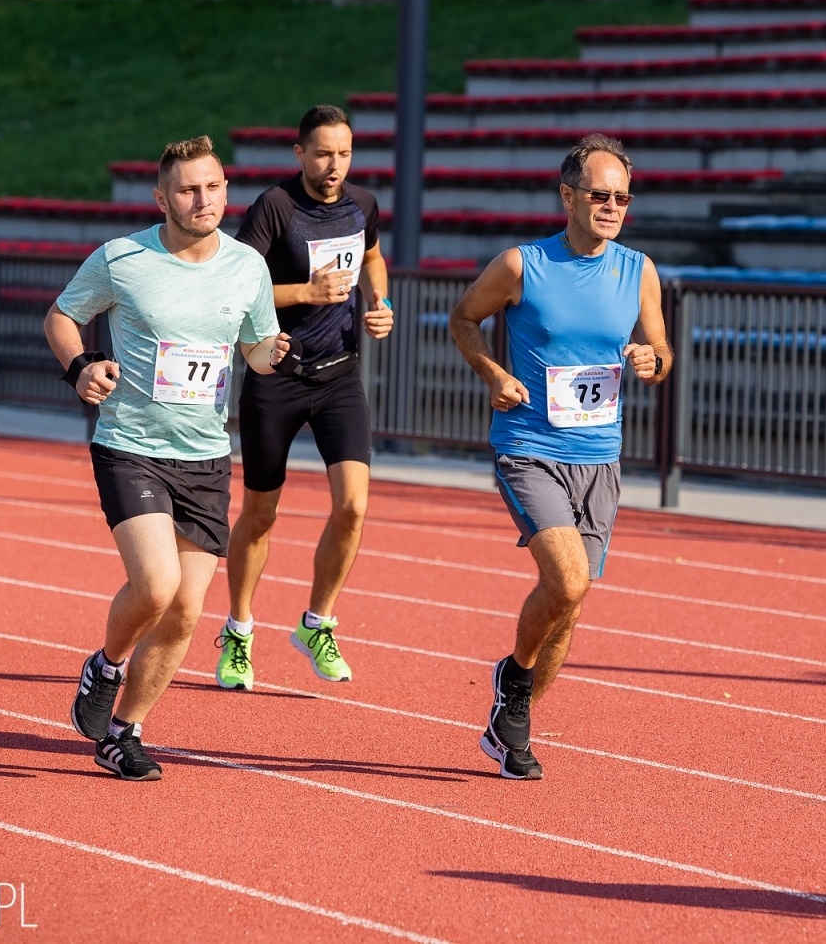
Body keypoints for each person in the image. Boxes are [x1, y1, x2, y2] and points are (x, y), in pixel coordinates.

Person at [49, 135, 289, 781]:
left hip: (206, 456)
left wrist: (271, 355)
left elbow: (255, 347)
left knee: (184, 611)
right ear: (162, 199)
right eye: (187, 190)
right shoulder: (122, 258)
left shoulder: (247, 267)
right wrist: (81, 366)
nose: (202, 199)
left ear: (225, 190)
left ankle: (124, 732)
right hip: (131, 444)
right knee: (155, 586)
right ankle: (106, 665)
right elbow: (62, 317)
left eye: (212, 187)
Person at [449, 133, 672, 781]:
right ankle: (515, 679)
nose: (612, 208)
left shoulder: (639, 270)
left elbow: (661, 352)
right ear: (568, 197)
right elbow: (463, 319)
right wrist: (493, 373)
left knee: (569, 603)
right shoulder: (522, 265)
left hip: (599, 457)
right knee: (568, 581)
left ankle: (512, 711)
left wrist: (652, 360)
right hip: (530, 448)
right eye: (600, 196)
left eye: (622, 198)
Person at [216, 104, 394, 691]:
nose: (334, 164)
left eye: (344, 153)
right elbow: (237, 284)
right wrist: (306, 293)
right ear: (300, 154)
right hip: (277, 374)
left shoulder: (363, 204)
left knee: (354, 506)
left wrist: (379, 302)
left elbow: (373, 256)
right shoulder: (276, 207)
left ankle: (317, 623)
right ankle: (239, 631)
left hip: (339, 375)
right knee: (260, 514)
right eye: (323, 154)